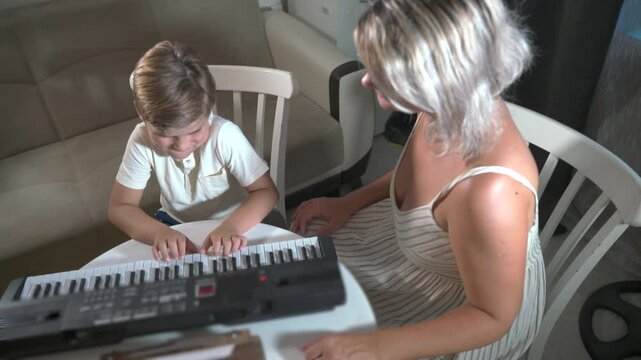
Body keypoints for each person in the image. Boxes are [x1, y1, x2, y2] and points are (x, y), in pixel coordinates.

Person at [290, 0, 545, 359]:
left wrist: (373, 345)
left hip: (464, 312)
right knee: (300, 269)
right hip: (409, 251)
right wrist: (349, 202)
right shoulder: (447, 105)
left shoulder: (493, 195)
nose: (366, 79)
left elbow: (492, 316)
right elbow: (417, 174)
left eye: (384, 72)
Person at [108, 41, 278, 261]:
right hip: (173, 224)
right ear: (140, 112)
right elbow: (120, 207)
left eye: (195, 130)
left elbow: (266, 192)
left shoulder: (224, 136)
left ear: (208, 109)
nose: (182, 145)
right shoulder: (141, 139)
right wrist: (160, 232)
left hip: (234, 222)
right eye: (166, 133)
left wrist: (232, 227)